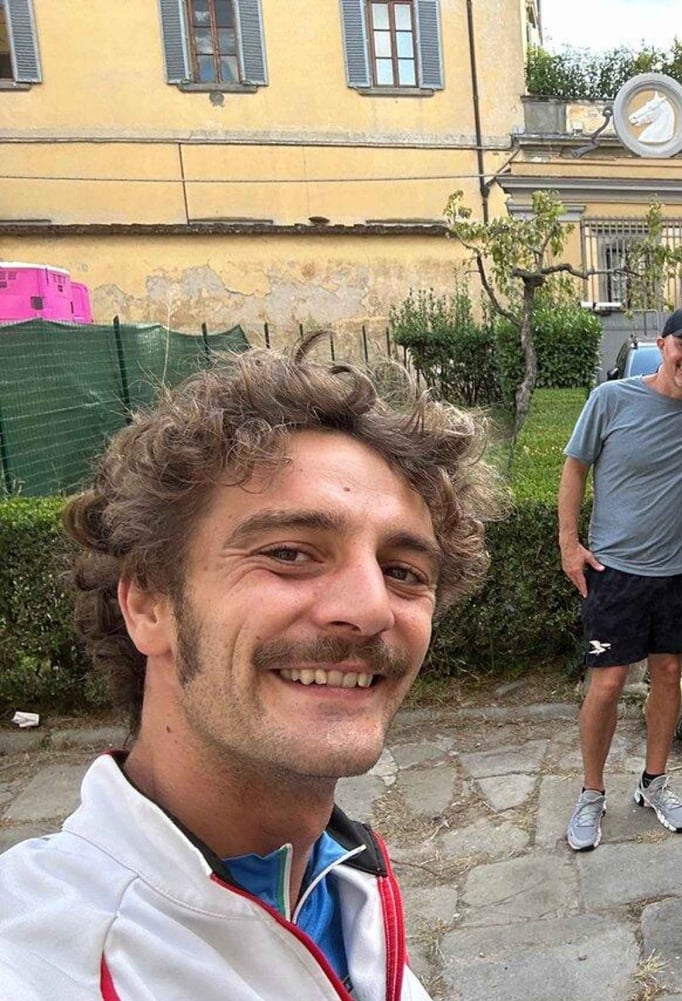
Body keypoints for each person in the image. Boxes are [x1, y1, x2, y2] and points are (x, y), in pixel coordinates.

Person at [0, 339, 498, 999]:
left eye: (403, 571)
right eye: (291, 552)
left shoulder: (349, 883)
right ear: (147, 600)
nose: (372, 608)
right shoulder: (44, 961)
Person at [558, 306, 682, 850]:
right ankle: (591, 792)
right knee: (607, 682)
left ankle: (654, 782)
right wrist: (569, 546)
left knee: (669, 673)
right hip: (614, 570)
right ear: (663, 343)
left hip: (677, 572)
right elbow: (575, 466)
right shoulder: (612, 399)